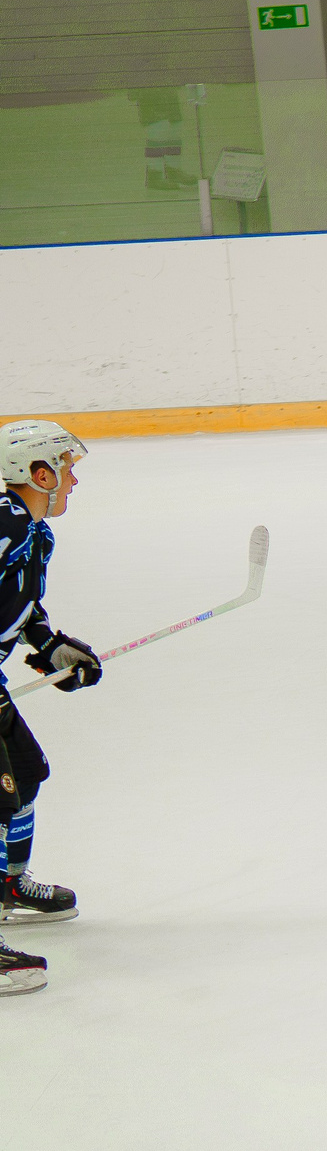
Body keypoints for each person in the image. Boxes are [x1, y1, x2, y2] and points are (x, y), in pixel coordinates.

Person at [0, 421, 106, 997]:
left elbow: (16, 606)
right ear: (38, 474)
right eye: (65, 471)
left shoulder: (33, 533)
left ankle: (8, 887)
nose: (71, 482)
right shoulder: (2, 522)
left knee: (25, 774)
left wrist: (49, 648)